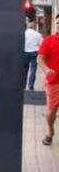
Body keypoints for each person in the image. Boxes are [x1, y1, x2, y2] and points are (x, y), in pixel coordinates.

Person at [37, 15, 59, 145]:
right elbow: (40, 58)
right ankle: (50, 131)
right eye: (57, 23)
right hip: (54, 82)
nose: (58, 25)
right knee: (51, 112)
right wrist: (46, 70)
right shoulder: (48, 41)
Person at [25, 22, 43, 91]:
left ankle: (23, 85)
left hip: (25, 53)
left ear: (27, 27)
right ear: (34, 27)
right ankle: (31, 86)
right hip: (34, 53)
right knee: (33, 70)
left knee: (24, 71)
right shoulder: (38, 35)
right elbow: (41, 44)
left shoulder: (24, 34)